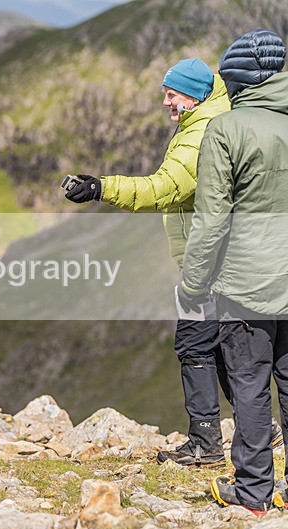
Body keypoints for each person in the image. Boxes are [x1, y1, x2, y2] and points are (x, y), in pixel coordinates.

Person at [63, 58, 275, 467]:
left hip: (210, 263)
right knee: (224, 349)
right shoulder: (204, 122)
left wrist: (101, 188)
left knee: (195, 345)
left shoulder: (202, 136)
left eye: (171, 94)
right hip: (222, 260)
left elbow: (164, 188)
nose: (165, 102)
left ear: (194, 96)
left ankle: (207, 445)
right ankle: (260, 431)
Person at [176, 29, 288, 515]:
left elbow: (212, 218)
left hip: (246, 283)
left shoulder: (228, 128)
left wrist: (194, 283)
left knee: (248, 383)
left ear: (237, 79)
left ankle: (253, 493)